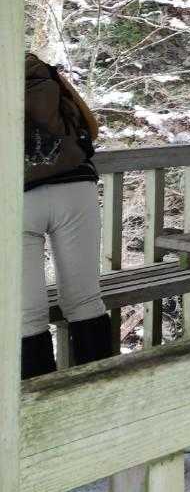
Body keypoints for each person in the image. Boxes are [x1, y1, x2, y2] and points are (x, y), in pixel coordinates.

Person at [22, 53, 113, 380]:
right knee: (85, 301)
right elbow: (91, 128)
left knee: (26, 316)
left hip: (17, 201)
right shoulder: (36, 67)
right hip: (75, 189)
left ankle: (40, 403)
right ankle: (101, 390)